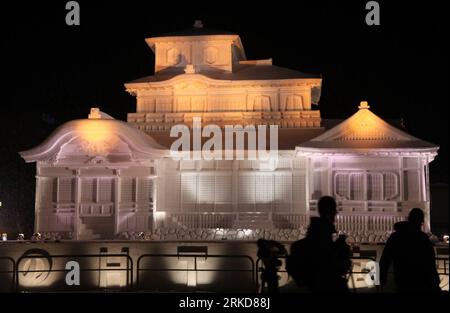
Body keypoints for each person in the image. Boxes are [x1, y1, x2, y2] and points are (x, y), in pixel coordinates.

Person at [286, 196, 351, 292]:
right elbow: (339, 267)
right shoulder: (326, 241)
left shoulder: (308, 241)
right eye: (334, 212)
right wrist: (341, 249)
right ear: (330, 213)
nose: (335, 215)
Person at [380, 208, 441, 293]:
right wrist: (435, 282)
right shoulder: (422, 238)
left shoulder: (395, 237)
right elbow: (430, 262)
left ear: (409, 219)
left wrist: (382, 278)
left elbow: (385, 259)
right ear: (421, 222)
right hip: (420, 280)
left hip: (402, 278)